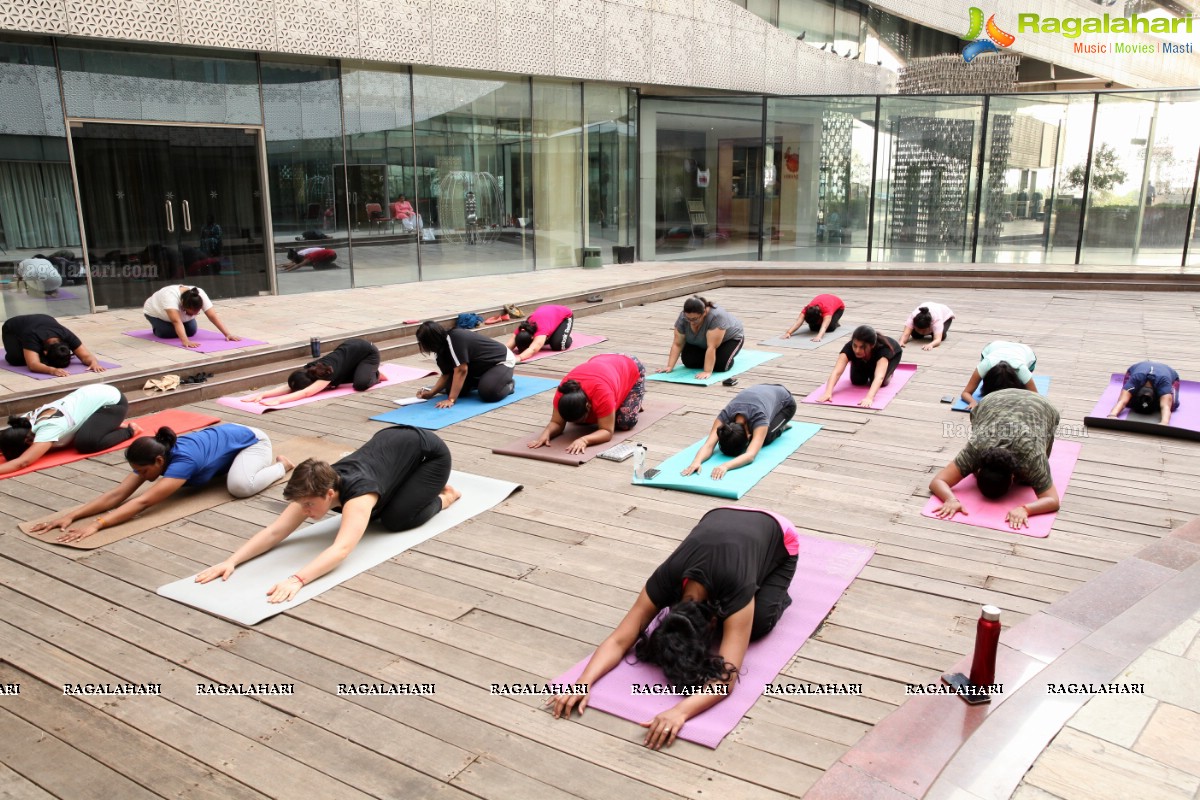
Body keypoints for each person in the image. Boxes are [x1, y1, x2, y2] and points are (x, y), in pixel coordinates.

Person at [550, 507, 798, 749]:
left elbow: (725, 680)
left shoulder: (736, 589)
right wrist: (583, 682)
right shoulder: (665, 580)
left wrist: (680, 712)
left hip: (780, 534)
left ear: (712, 622)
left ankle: (769, 585)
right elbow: (619, 640)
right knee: (738, 619)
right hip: (719, 515)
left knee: (757, 625)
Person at [194, 426, 460, 603]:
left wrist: (297, 579)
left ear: (330, 494)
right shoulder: (314, 485)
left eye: (309, 505)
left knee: (394, 519)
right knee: (378, 513)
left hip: (430, 456)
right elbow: (275, 531)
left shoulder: (359, 494)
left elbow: (342, 549)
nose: (305, 511)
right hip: (393, 445)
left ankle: (445, 496)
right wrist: (232, 561)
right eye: (303, 506)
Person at [29, 423, 292, 543]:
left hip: (252, 442)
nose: (139, 475)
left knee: (239, 487)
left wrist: (98, 525)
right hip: (227, 443)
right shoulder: (155, 456)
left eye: (142, 471)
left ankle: (282, 465)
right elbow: (119, 494)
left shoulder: (182, 462)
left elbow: (142, 501)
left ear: (158, 460)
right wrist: (72, 516)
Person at [930, 389, 1062, 530]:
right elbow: (937, 481)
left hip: (1041, 406)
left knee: (1027, 481)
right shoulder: (976, 448)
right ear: (978, 468)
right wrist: (950, 499)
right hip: (992, 400)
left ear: (1012, 478)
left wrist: (1025, 509)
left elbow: (1053, 501)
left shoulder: (1031, 456)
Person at [0, 384, 137, 475]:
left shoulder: (48, 429)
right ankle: (105, 425)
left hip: (112, 403)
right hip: (93, 394)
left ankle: (129, 430)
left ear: (28, 442)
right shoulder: (22, 422)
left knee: (86, 443)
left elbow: (23, 462)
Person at [530, 354, 645, 454]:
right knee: (585, 423)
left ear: (588, 406)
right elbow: (556, 422)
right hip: (602, 362)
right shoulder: (563, 392)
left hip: (631, 365)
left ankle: (633, 398)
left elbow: (607, 431)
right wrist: (546, 433)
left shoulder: (602, 393)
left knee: (625, 422)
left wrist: (584, 440)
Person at [682, 384, 796, 479]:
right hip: (760, 392)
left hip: (786, 404)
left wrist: (725, 466)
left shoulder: (759, 417)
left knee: (764, 438)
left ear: (748, 434)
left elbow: (750, 455)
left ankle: (781, 427)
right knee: (755, 436)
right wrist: (696, 462)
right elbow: (709, 445)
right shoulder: (726, 415)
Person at [241, 338, 381, 406]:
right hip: (350, 349)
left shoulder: (327, 374)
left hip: (368, 352)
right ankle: (362, 369)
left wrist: (278, 401)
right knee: (339, 380)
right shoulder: (309, 368)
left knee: (360, 384)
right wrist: (263, 394)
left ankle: (375, 373)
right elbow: (290, 387)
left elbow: (306, 392)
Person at [414, 321, 515, 407]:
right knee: (451, 388)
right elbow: (446, 374)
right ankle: (484, 381)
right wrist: (432, 393)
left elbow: (462, 370)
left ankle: (509, 384)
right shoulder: (441, 350)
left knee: (489, 393)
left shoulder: (455, 338)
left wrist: (451, 399)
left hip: (500, 361)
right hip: (479, 367)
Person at [815, 325, 903, 408]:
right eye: (855, 346)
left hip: (892, 355)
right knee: (857, 380)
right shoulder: (849, 347)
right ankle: (864, 364)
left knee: (878, 381)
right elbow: (837, 372)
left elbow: (879, 377)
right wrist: (828, 392)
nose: (857, 350)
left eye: (862, 347)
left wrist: (869, 398)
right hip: (865, 358)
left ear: (872, 346)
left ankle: (889, 373)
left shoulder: (883, 350)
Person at [660, 296, 744, 380]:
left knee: (720, 366)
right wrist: (670, 366)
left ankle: (725, 356)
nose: (691, 322)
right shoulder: (683, 316)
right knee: (689, 362)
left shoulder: (716, 317)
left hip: (729, 339)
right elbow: (677, 344)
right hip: (702, 341)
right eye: (688, 319)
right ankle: (711, 358)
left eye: (695, 319)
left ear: (704, 313)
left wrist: (707, 371)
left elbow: (712, 347)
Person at [2, 313, 107, 376]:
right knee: (16, 360)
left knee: (42, 359)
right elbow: (33, 365)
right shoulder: (31, 335)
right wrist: (52, 370)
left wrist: (94, 363)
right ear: (45, 351)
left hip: (43, 319)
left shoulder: (66, 334)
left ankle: (44, 357)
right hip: (12, 328)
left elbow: (85, 356)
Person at [143, 285, 241, 348]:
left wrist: (227, 334)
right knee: (166, 332)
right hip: (155, 313)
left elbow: (212, 316)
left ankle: (179, 328)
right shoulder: (170, 297)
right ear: (183, 305)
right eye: (190, 313)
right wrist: (185, 341)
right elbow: (176, 321)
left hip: (179, 316)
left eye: (196, 313)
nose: (193, 315)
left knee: (191, 331)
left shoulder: (199, 294)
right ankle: (157, 328)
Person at [959, 341, 1038, 412]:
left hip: (1025, 351)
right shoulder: (985, 365)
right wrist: (973, 402)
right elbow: (966, 392)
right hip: (995, 346)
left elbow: (1036, 397)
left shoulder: (1021, 369)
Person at [1108, 360, 1180, 425]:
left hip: (1168, 375)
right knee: (1128, 401)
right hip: (1136, 370)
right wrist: (1113, 415)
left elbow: (1166, 406)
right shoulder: (1136, 379)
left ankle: (1156, 400)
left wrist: (1164, 422)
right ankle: (1137, 398)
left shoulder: (1163, 382)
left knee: (1172, 405)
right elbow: (1122, 401)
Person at [506, 305, 574, 362]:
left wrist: (519, 357)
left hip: (564, 315)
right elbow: (508, 346)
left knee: (558, 345)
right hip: (546, 313)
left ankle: (567, 336)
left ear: (533, 338)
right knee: (542, 339)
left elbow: (533, 349)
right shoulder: (522, 328)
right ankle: (552, 334)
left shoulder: (541, 330)